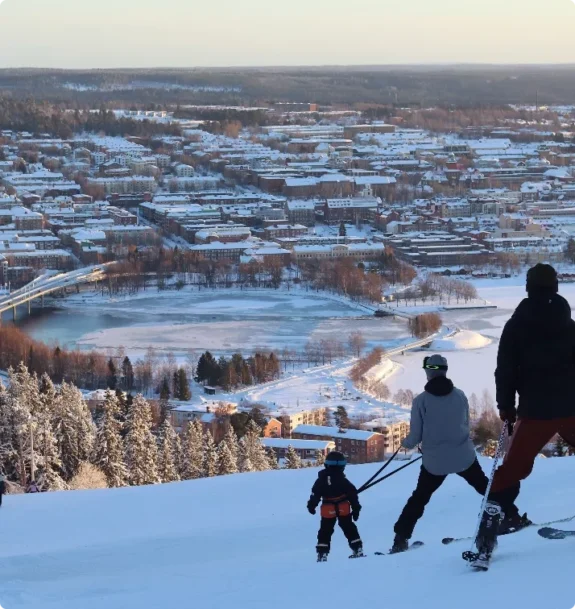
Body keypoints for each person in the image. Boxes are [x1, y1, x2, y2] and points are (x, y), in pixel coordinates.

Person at [476, 263, 575, 560]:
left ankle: (488, 534)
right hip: (571, 407)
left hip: (536, 411)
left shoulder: (516, 326)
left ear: (528, 288)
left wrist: (506, 407)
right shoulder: (570, 325)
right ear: (555, 287)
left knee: (510, 471)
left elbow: (505, 371)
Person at [390, 354, 527, 554]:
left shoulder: (421, 401)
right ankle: (512, 515)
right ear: (445, 370)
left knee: (419, 499)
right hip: (464, 456)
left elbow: (415, 436)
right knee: (486, 488)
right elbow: (464, 424)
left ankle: (400, 539)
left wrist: (405, 443)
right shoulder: (460, 395)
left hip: (435, 462)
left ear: (428, 372)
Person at [307, 451, 363, 561]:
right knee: (349, 528)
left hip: (328, 509)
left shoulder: (321, 480)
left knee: (325, 531)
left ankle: (322, 553)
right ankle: (357, 548)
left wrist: (311, 506)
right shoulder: (343, 480)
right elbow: (353, 495)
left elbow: (315, 494)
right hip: (343, 508)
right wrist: (356, 508)